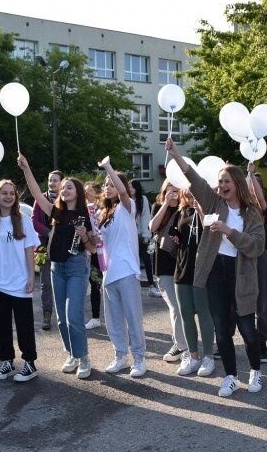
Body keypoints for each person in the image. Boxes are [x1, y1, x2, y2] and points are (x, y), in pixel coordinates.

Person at [166, 138, 265, 397]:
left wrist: (229, 232)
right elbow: (194, 179)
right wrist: (176, 154)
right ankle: (231, 376)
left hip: (242, 275)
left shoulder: (251, 212)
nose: (221, 185)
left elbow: (256, 247)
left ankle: (255, 370)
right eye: (219, 182)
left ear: (237, 185)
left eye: (226, 182)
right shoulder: (213, 203)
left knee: (247, 330)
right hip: (215, 273)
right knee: (222, 329)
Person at [19, 155, 95, 379]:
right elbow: (35, 193)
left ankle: (83, 357)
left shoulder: (85, 217)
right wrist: (27, 169)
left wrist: (84, 237)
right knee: (61, 317)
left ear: (77, 192)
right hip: (56, 268)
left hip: (76, 267)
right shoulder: (57, 213)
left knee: (74, 316)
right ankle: (71, 354)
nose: (64, 190)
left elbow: (92, 249)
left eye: (69, 187)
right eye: (63, 188)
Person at [0, 179, 41, 382]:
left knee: (24, 325)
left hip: (21, 281)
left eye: (12, 193)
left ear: (16, 197)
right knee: (1, 324)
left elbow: (29, 248)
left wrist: (31, 276)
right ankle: (7, 361)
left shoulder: (23, 219)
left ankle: (29, 363)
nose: (8, 196)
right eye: (4, 193)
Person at [92, 156, 147, 378]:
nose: (108, 187)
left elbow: (124, 192)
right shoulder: (101, 214)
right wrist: (95, 241)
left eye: (112, 184)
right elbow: (101, 245)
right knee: (114, 319)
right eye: (106, 185)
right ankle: (120, 356)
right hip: (109, 273)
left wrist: (107, 167)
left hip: (126, 270)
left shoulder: (128, 207)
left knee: (133, 317)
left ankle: (140, 358)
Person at [171, 189, 216, 376]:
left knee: (204, 314)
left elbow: (212, 231)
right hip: (182, 270)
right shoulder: (180, 212)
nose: (189, 192)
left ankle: (208, 358)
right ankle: (193, 357)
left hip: (201, 271)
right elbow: (176, 235)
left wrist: (200, 210)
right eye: (186, 190)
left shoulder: (210, 210)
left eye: (192, 189)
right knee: (186, 315)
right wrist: (176, 237)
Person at [149, 179, 188, 363]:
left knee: (184, 308)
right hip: (164, 265)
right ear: (164, 190)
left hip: (183, 264)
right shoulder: (158, 206)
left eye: (177, 188)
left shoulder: (186, 209)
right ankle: (181, 346)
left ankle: (184, 346)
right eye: (169, 188)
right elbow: (152, 227)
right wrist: (165, 204)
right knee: (175, 308)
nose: (173, 192)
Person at [30, 170, 63, 331]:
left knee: (63, 281)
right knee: (46, 284)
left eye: (55, 180)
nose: (52, 183)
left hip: (63, 247)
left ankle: (64, 316)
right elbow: (34, 221)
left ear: (62, 182)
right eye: (50, 180)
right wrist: (48, 232)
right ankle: (47, 315)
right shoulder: (41, 198)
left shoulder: (67, 198)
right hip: (44, 246)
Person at [248, 162, 267, 363]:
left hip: (260, 258)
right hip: (241, 259)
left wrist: (250, 174)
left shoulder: (261, 208)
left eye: (254, 185)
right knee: (235, 304)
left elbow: (260, 198)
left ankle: (262, 342)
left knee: (261, 303)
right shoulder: (237, 207)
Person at [130, 179, 161, 297]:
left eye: (132, 187)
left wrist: (146, 235)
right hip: (128, 237)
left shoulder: (142, 199)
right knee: (132, 263)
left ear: (137, 188)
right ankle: (133, 288)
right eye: (129, 187)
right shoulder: (125, 200)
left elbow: (145, 218)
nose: (130, 189)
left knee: (147, 261)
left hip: (140, 236)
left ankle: (151, 287)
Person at [84, 181, 104, 329]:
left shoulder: (104, 208)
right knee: (95, 284)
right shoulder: (84, 210)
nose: (86, 193)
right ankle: (96, 317)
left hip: (107, 252)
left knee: (109, 285)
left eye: (89, 190)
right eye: (85, 190)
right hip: (93, 252)